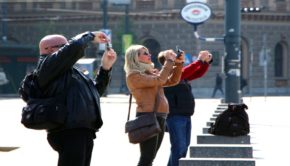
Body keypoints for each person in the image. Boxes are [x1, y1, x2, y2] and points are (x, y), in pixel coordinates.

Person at [35, 31, 117, 166]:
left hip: (82, 129)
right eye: (63, 46)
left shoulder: (71, 72)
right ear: (48, 49)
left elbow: (94, 92)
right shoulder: (46, 66)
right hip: (68, 130)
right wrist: (90, 35)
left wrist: (105, 68)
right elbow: (74, 47)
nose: (67, 47)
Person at [124, 45, 184, 166]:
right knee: (147, 157)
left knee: (151, 156)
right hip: (148, 116)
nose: (149, 55)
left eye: (148, 52)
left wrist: (178, 63)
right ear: (135, 58)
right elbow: (160, 80)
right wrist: (169, 61)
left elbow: (173, 81)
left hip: (160, 116)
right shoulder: (134, 76)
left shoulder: (150, 73)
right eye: (145, 53)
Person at [158, 50, 212, 166]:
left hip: (185, 115)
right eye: (171, 55)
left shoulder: (179, 75)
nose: (176, 55)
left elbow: (197, 73)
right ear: (166, 62)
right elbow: (186, 71)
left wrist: (205, 63)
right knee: (179, 147)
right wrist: (199, 61)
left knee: (183, 146)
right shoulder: (166, 76)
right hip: (174, 116)